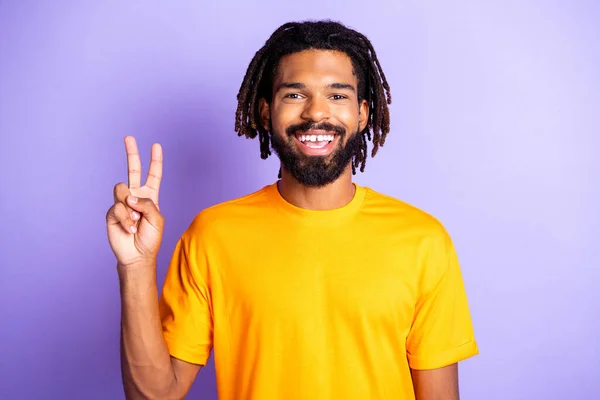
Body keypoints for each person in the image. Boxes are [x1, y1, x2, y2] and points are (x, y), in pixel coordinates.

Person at [106, 20, 478, 400]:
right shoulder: (213, 235)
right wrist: (135, 267)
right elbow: (153, 395)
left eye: (337, 96)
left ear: (363, 113)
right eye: (295, 95)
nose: (316, 113)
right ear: (266, 112)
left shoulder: (423, 241)